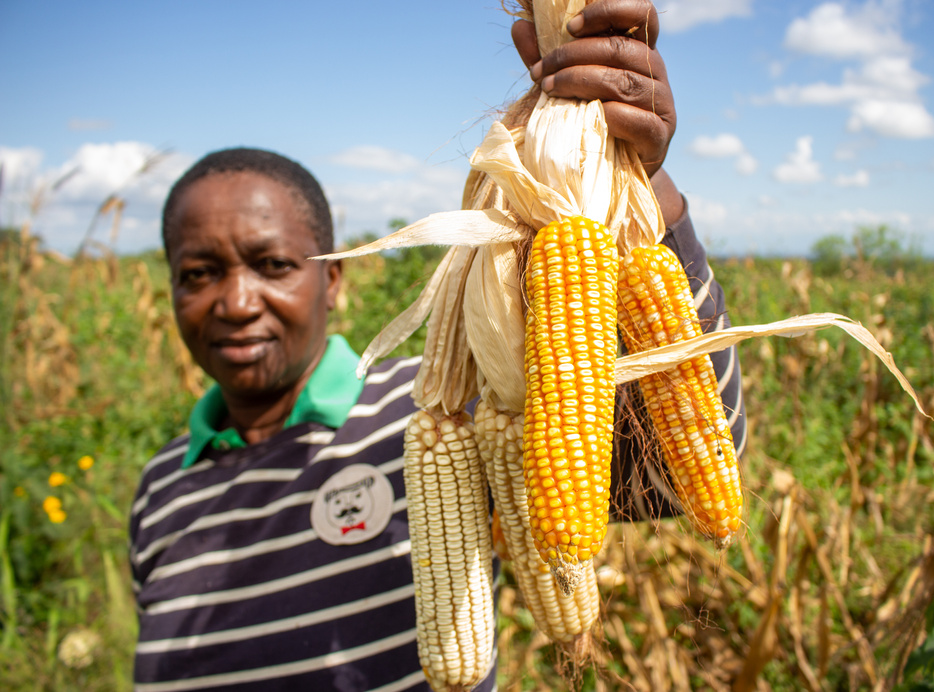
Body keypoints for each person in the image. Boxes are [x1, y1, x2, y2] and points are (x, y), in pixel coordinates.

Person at [128, 1, 747, 690]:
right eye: (199, 274)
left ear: (332, 281)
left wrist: (641, 181)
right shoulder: (157, 490)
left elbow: (657, 481)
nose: (236, 303)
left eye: (272, 266)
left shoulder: (429, 412)